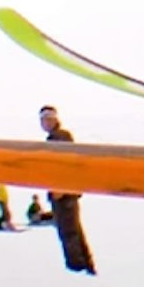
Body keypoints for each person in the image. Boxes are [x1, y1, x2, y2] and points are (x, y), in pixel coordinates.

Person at [37, 106, 96, 274]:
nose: (45, 123)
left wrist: (59, 186)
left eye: (48, 119)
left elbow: (63, 165)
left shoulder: (59, 138)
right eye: (43, 120)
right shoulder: (57, 137)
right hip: (66, 191)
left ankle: (77, 267)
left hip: (64, 193)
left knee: (68, 231)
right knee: (73, 229)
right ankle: (85, 266)